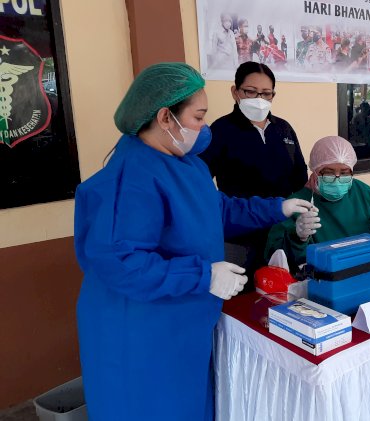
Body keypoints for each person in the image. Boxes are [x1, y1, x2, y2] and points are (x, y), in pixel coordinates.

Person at [74, 63, 312, 420]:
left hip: (183, 325)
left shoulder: (186, 163)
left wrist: (277, 207)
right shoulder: (130, 177)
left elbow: (217, 207)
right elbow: (121, 262)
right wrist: (203, 276)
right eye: (199, 116)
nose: (203, 126)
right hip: (140, 334)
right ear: (166, 117)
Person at [199, 62, 308, 274]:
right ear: (235, 92)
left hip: (282, 231)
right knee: (244, 296)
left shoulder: (283, 129)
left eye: (267, 94)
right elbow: (200, 180)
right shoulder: (221, 131)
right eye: (250, 91)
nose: (259, 99)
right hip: (242, 235)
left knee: (285, 292)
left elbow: (299, 177)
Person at [265, 136, 370, 270]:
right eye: (329, 173)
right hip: (325, 279)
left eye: (345, 173)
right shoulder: (296, 204)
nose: (337, 180)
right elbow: (274, 256)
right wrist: (297, 237)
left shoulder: (363, 192)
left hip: (368, 268)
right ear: (315, 171)